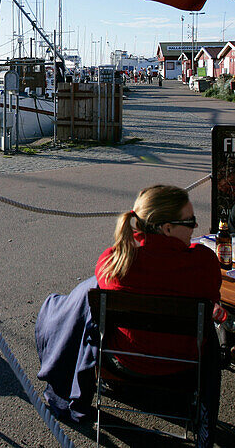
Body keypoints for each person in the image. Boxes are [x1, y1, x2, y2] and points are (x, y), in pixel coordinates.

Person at [95, 185, 221, 446]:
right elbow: (212, 293)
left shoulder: (113, 260)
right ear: (167, 228)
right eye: (190, 222)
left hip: (124, 362)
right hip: (183, 369)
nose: (195, 227)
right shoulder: (204, 262)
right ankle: (207, 421)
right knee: (211, 334)